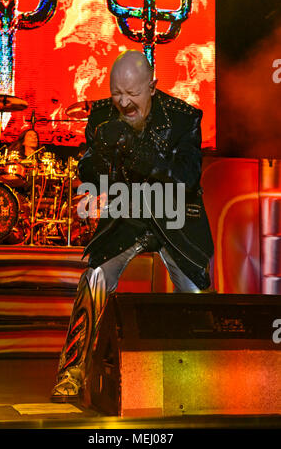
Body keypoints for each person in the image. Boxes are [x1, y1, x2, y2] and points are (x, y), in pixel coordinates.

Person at [51, 50, 214, 402]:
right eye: (116, 93)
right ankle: (71, 373)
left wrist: (139, 154)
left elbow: (186, 178)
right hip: (128, 212)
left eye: (133, 94)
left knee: (199, 295)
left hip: (177, 216)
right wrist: (100, 157)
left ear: (152, 87)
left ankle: (213, 372)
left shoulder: (185, 118)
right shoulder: (100, 115)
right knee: (94, 277)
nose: (123, 102)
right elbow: (87, 171)